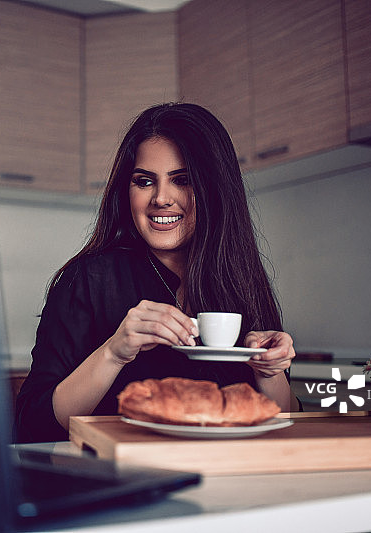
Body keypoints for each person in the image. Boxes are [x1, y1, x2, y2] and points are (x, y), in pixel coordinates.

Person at [15, 102, 299, 443]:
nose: (161, 198)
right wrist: (113, 352)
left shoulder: (240, 281)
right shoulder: (88, 280)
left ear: (215, 189)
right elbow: (33, 424)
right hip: (121, 479)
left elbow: (287, 426)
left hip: (228, 479)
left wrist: (270, 372)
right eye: (144, 181)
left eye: (182, 180)